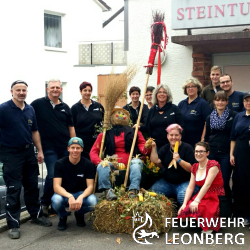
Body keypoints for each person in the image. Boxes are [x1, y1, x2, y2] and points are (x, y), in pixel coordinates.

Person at [0, 80, 52, 239]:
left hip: (29, 152)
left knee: (32, 186)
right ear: (11, 91)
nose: (21, 92)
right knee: (14, 188)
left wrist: (40, 151)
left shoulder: (30, 109)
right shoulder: (3, 109)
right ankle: (14, 224)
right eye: (18, 90)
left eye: (24, 90)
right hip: (11, 154)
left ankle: (36, 215)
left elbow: (34, 131)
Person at [31, 79, 76, 216]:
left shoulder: (65, 107)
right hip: (48, 147)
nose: (55, 89)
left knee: (63, 176)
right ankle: (44, 203)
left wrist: (74, 144)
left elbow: (71, 127)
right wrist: (38, 148)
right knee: (52, 175)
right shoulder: (37, 104)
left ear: (61, 90)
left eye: (58, 87)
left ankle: (57, 204)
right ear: (47, 89)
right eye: (52, 87)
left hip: (64, 147)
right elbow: (30, 122)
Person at [90, 108, 149, 200]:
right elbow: (93, 152)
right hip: (112, 164)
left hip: (131, 163)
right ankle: (108, 191)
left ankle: (133, 190)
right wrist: (100, 161)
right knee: (101, 166)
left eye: (123, 114)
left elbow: (143, 150)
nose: (121, 115)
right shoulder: (104, 134)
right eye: (118, 113)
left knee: (137, 162)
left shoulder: (135, 132)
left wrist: (147, 147)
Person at [178, 142, 225, 234]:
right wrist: (184, 203)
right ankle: (200, 221)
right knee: (184, 211)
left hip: (215, 195)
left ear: (207, 153)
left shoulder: (213, 165)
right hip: (203, 194)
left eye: (201, 151)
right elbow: (191, 187)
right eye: (196, 151)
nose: (198, 154)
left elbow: (207, 185)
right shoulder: (194, 167)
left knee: (199, 207)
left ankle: (209, 225)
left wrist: (196, 200)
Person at [51, 137, 98, 231]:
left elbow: (90, 187)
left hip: (81, 193)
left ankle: (79, 213)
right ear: (68, 149)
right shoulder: (59, 163)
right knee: (55, 200)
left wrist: (81, 197)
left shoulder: (88, 164)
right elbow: (56, 187)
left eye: (78, 148)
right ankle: (62, 216)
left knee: (93, 202)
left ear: (82, 149)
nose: (75, 150)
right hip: (64, 194)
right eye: (72, 148)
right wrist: (69, 196)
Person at [150, 124, 199, 205]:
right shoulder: (165, 148)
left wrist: (179, 160)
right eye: (171, 135)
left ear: (180, 136)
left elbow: (192, 168)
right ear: (167, 136)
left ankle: (183, 214)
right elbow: (156, 161)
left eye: (176, 135)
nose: (173, 137)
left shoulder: (188, 148)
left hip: (185, 182)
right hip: (167, 182)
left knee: (182, 197)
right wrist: (154, 148)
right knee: (153, 192)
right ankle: (171, 204)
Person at [205, 91, 237, 206]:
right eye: (217, 100)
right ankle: (213, 207)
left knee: (223, 181)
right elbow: (206, 136)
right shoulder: (210, 117)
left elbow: (234, 136)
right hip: (212, 152)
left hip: (226, 153)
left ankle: (228, 207)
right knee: (211, 181)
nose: (220, 102)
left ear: (227, 102)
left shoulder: (233, 116)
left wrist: (232, 154)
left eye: (223, 100)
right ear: (214, 101)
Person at [140, 84, 184, 151]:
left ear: (168, 95)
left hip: (171, 145)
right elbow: (147, 126)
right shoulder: (152, 110)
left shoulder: (174, 108)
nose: (162, 94)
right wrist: (138, 127)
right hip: (155, 145)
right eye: (160, 92)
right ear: (156, 95)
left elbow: (181, 126)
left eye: (164, 92)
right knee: (156, 161)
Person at [230, 91, 250, 225]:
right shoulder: (239, 116)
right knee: (238, 182)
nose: (248, 103)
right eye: (246, 101)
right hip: (239, 152)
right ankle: (238, 213)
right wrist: (232, 154)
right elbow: (233, 137)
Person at [71, 82, 104, 160]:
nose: (87, 93)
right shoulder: (75, 108)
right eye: (85, 90)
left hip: (96, 142)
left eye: (89, 91)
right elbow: (71, 126)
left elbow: (105, 121)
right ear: (80, 91)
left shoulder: (98, 106)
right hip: (82, 142)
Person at [178, 77, 211, 148]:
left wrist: (203, 139)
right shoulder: (181, 104)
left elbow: (207, 123)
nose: (190, 88)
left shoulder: (203, 104)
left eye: (193, 86)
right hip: (183, 140)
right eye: (188, 87)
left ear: (198, 88)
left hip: (197, 141)